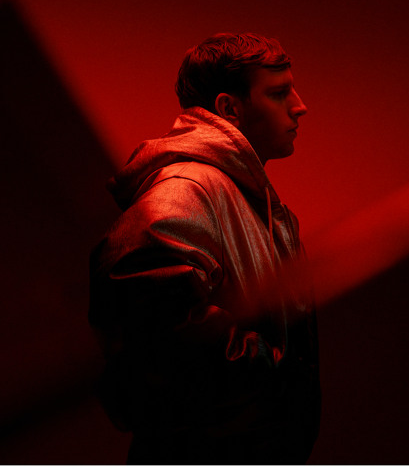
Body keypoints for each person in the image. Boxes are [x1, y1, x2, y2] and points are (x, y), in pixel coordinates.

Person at [88, 33, 321, 465]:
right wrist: (272, 369)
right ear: (229, 108)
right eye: (278, 93)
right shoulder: (185, 189)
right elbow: (154, 326)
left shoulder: (238, 193)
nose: (299, 106)